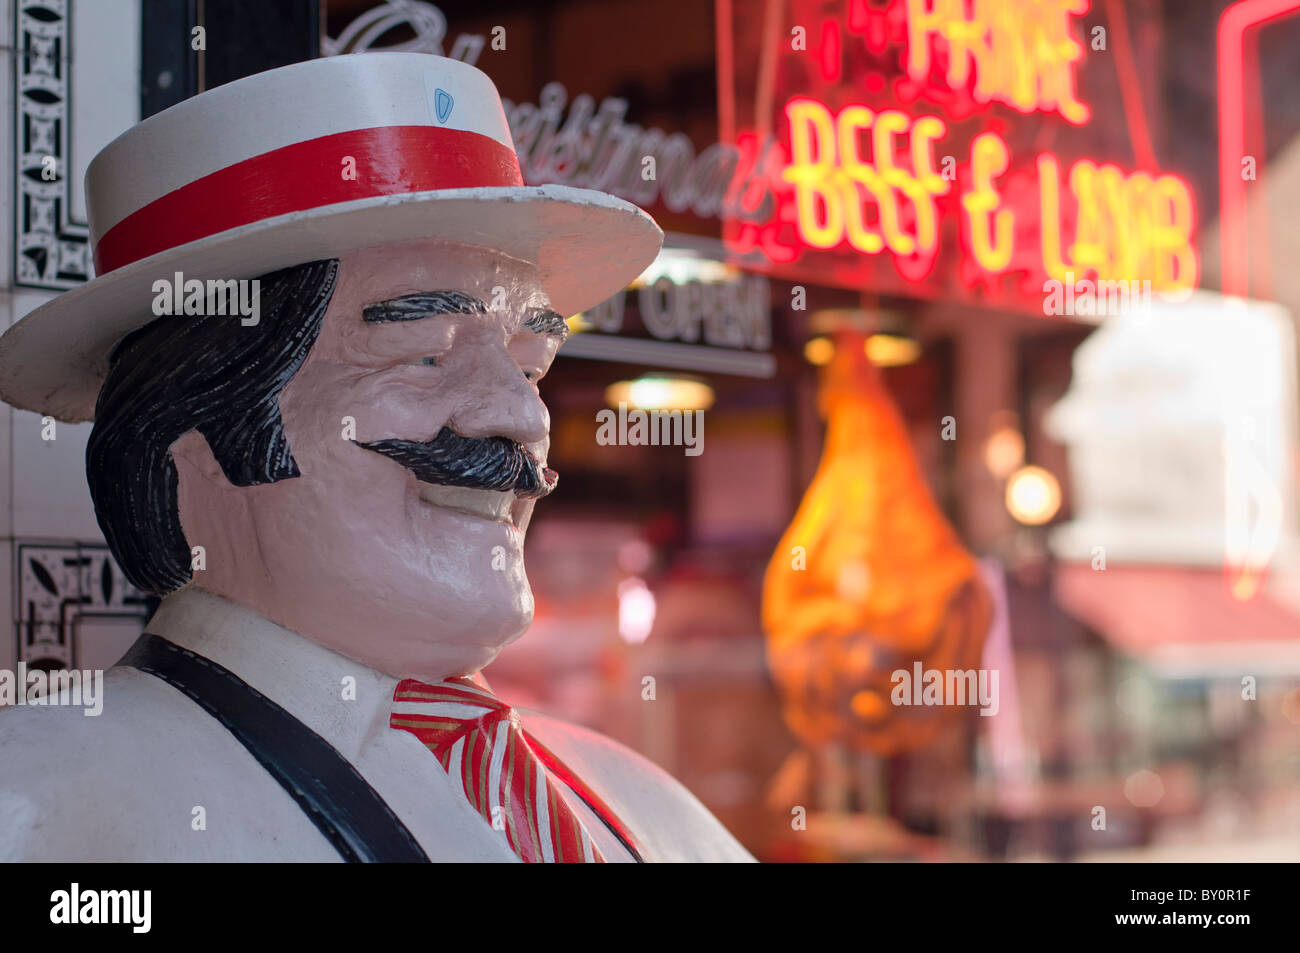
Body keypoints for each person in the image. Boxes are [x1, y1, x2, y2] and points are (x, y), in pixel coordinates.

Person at [0, 52, 753, 863]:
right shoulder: (49, 809)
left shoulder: (646, 812)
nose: (521, 413)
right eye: (424, 351)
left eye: (529, 363)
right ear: (196, 438)